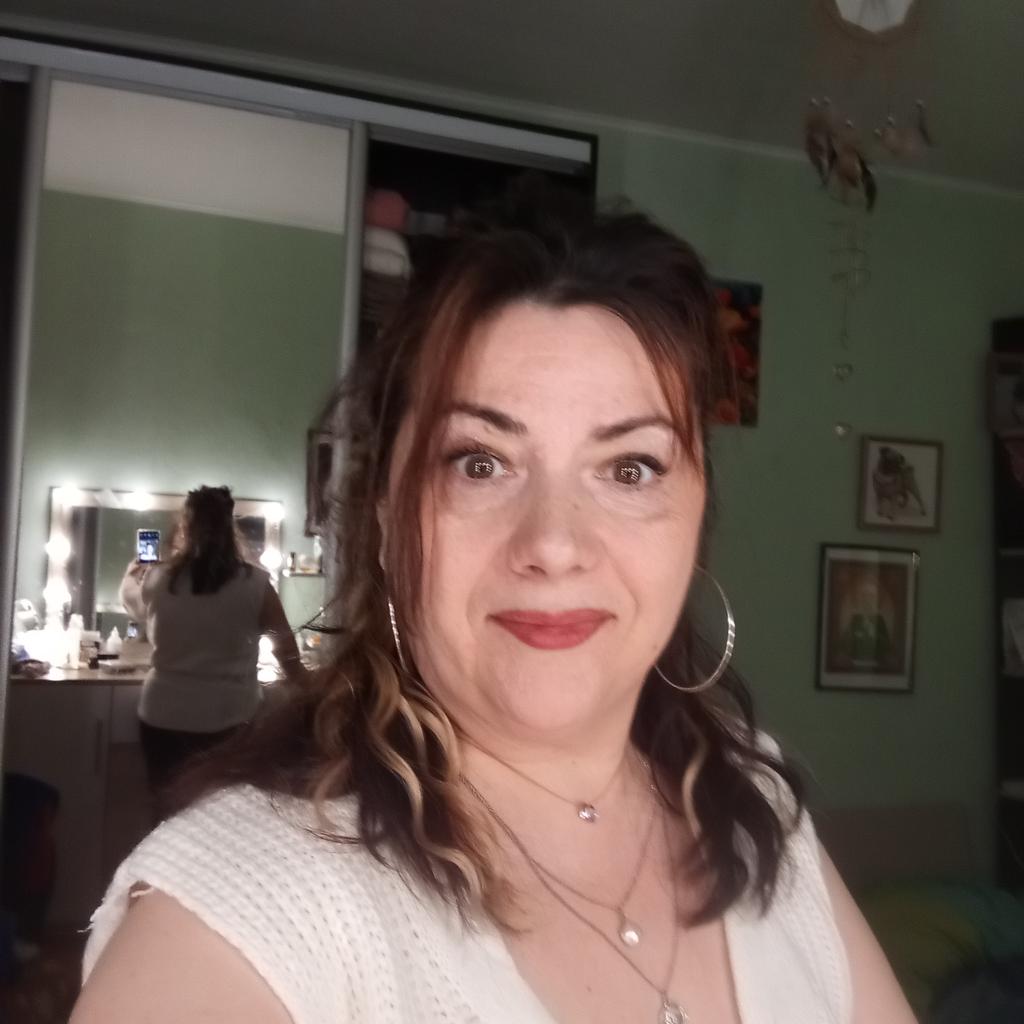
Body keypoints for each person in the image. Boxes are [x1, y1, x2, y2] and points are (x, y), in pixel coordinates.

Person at [71, 185, 916, 1023]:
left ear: (698, 518)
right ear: (386, 514)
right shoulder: (260, 900)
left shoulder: (756, 804)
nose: (553, 543)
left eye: (630, 469)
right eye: (479, 462)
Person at [118, 485, 307, 813]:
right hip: (230, 719)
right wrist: (308, 682)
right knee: (222, 816)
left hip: (163, 714)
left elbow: (134, 607)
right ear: (229, 527)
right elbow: (287, 654)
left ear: (185, 528)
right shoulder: (256, 584)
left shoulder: (158, 578)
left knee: (166, 810)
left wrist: (130, 575)